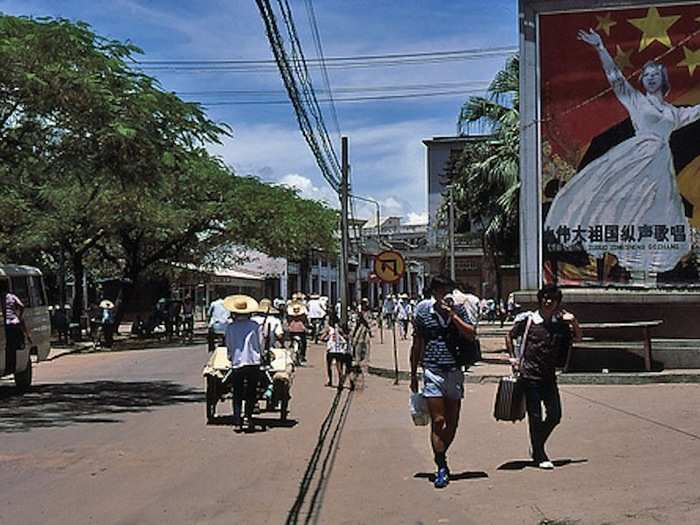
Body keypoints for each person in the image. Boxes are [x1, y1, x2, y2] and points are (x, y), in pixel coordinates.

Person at [545, 28, 700, 275]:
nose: (650, 78)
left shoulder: (675, 113)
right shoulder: (636, 101)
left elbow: (697, 111)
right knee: (618, 205)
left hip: (660, 166)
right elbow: (616, 79)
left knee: (657, 212)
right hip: (634, 159)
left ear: (663, 79)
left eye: (655, 74)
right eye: (646, 74)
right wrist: (600, 47)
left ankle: (646, 270)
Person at [505, 284, 582, 470]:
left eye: (552, 299)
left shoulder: (560, 324)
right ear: (540, 300)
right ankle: (539, 454)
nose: (548, 302)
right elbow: (509, 335)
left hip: (549, 376)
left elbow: (578, 337)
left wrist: (574, 321)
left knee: (555, 414)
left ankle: (537, 445)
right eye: (545, 298)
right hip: (529, 375)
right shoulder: (529, 320)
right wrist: (513, 359)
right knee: (535, 415)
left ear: (557, 302)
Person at [410, 275, 476, 489]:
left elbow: (471, 334)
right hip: (432, 369)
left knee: (453, 421)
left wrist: (453, 315)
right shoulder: (423, 312)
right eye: (439, 290)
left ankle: (441, 453)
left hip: (455, 369)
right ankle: (441, 465)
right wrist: (412, 373)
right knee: (438, 421)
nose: (443, 294)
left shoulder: (459, 310)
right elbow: (417, 342)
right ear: (433, 292)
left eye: (446, 289)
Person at [223, 295, 263, 429]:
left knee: (237, 392)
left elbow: (228, 344)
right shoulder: (255, 326)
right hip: (253, 362)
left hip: (237, 362)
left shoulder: (231, 327)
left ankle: (237, 420)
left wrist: (230, 356)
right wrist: (261, 355)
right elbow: (261, 343)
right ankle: (248, 417)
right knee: (251, 392)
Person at [1, 280, 32, 373]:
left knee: (8, 346)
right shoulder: (12, 296)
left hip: (7, 324)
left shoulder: (1, 297)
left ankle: (9, 365)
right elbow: (21, 306)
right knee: (15, 346)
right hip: (15, 322)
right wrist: (19, 314)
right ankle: (13, 365)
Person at [323, 312, 352, 389]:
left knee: (329, 366)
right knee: (340, 367)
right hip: (341, 350)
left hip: (331, 349)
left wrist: (324, 337)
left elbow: (323, 337)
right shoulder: (340, 328)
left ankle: (330, 381)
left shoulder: (329, 328)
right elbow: (346, 337)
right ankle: (342, 381)